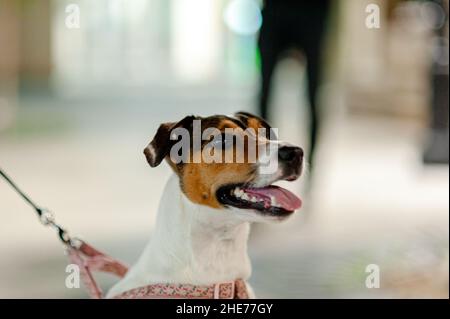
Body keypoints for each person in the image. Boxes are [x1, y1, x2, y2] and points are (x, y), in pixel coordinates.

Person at [258, 0, 331, 167]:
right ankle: (261, 157)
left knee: (314, 94)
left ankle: (312, 164)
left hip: (312, 13)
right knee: (265, 93)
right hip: (276, 11)